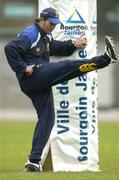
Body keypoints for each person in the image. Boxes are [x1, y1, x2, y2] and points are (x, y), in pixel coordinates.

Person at [4, 7, 118, 172]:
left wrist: (73, 44)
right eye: (51, 23)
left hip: (37, 82)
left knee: (48, 118)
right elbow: (10, 48)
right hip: (32, 78)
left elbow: (55, 47)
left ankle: (34, 161)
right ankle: (106, 59)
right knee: (66, 67)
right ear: (41, 20)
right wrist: (22, 68)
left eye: (56, 24)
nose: (54, 26)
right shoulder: (31, 34)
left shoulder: (45, 35)